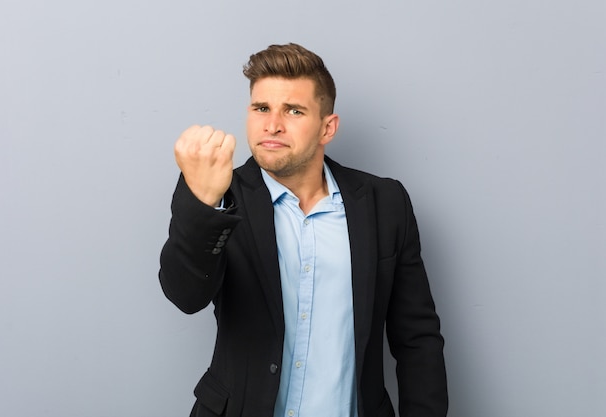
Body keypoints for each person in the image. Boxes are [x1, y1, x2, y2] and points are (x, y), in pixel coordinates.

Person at [159, 43, 448, 417]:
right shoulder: (219, 195)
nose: (272, 125)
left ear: (328, 127)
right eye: (261, 108)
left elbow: (417, 338)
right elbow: (185, 294)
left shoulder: (384, 203)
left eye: (294, 111)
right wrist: (204, 203)